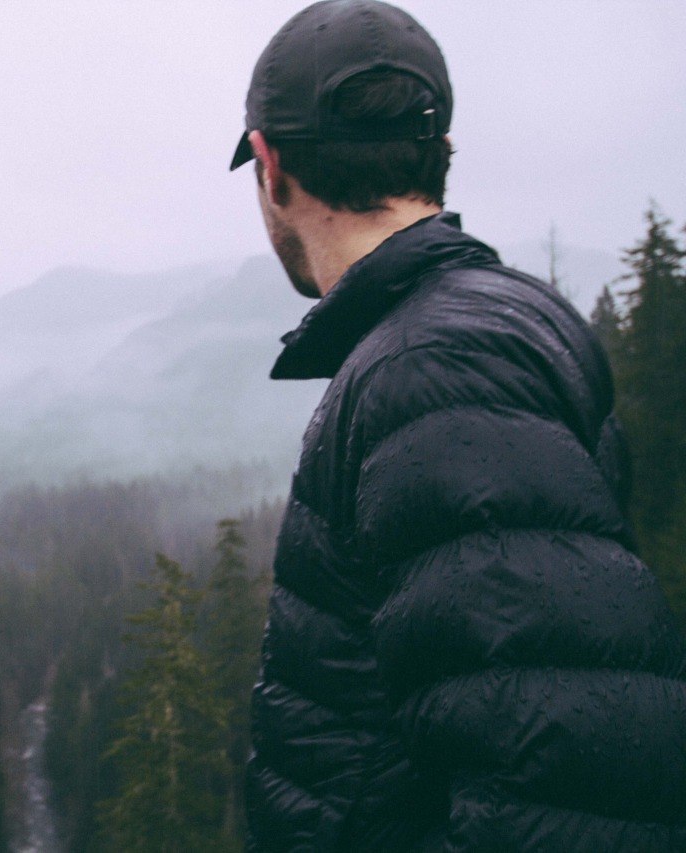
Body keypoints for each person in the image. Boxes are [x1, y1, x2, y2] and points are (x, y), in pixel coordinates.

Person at [230, 1, 686, 849]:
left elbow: (561, 767)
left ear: (270, 163)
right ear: (438, 152)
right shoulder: (491, 319)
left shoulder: (432, 370)